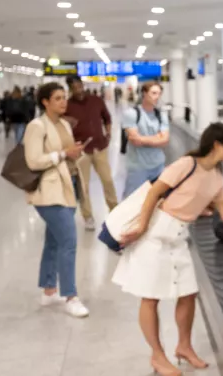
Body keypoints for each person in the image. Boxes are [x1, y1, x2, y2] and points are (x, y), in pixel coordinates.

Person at [113, 122, 223, 376]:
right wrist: (141, 226)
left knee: (187, 294)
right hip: (155, 236)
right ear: (217, 145)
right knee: (150, 298)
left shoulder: (217, 177)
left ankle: (184, 346)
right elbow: (154, 193)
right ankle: (157, 355)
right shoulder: (187, 165)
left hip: (179, 238)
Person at [23, 82, 89, 318]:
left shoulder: (63, 124)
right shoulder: (36, 126)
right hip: (48, 191)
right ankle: (71, 296)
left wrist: (74, 152)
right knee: (68, 242)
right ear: (45, 102)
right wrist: (62, 154)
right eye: (58, 98)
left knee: (53, 241)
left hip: (67, 185)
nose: (64, 102)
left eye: (64, 97)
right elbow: (33, 161)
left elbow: (66, 153)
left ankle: (49, 291)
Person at [65, 75, 119, 230]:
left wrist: (108, 134)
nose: (78, 90)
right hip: (81, 151)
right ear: (70, 89)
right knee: (84, 185)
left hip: (99, 147)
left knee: (107, 180)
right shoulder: (67, 106)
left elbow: (107, 118)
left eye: (79, 86)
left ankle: (115, 209)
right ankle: (88, 216)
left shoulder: (96, 100)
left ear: (83, 85)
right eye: (74, 87)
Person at [122, 82, 169, 197]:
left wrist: (142, 139)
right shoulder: (132, 114)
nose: (157, 97)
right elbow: (135, 141)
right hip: (138, 168)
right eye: (153, 93)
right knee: (133, 201)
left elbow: (165, 140)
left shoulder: (161, 115)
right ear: (144, 93)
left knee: (159, 199)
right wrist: (157, 138)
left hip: (158, 166)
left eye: (159, 93)